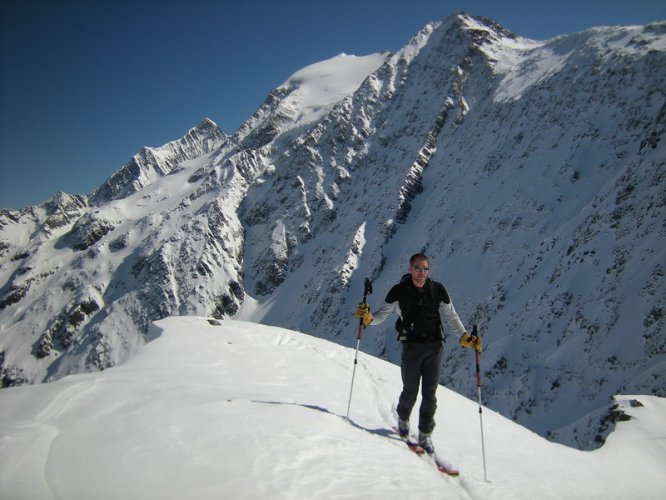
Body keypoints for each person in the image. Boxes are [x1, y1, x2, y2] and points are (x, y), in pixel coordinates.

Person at [354, 253, 481, 454]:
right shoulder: (398, 292)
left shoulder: (438, 290)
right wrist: (368, 317)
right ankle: (403, 419)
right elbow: (381, 315)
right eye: (417, 268)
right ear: (409, 269)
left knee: (430, 394)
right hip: (411, 348)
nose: (421, 273)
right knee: (410, 391)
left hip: (435, 347)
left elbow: (450, 316)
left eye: (425, 269)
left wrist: (465, 337)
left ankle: (425, 434)